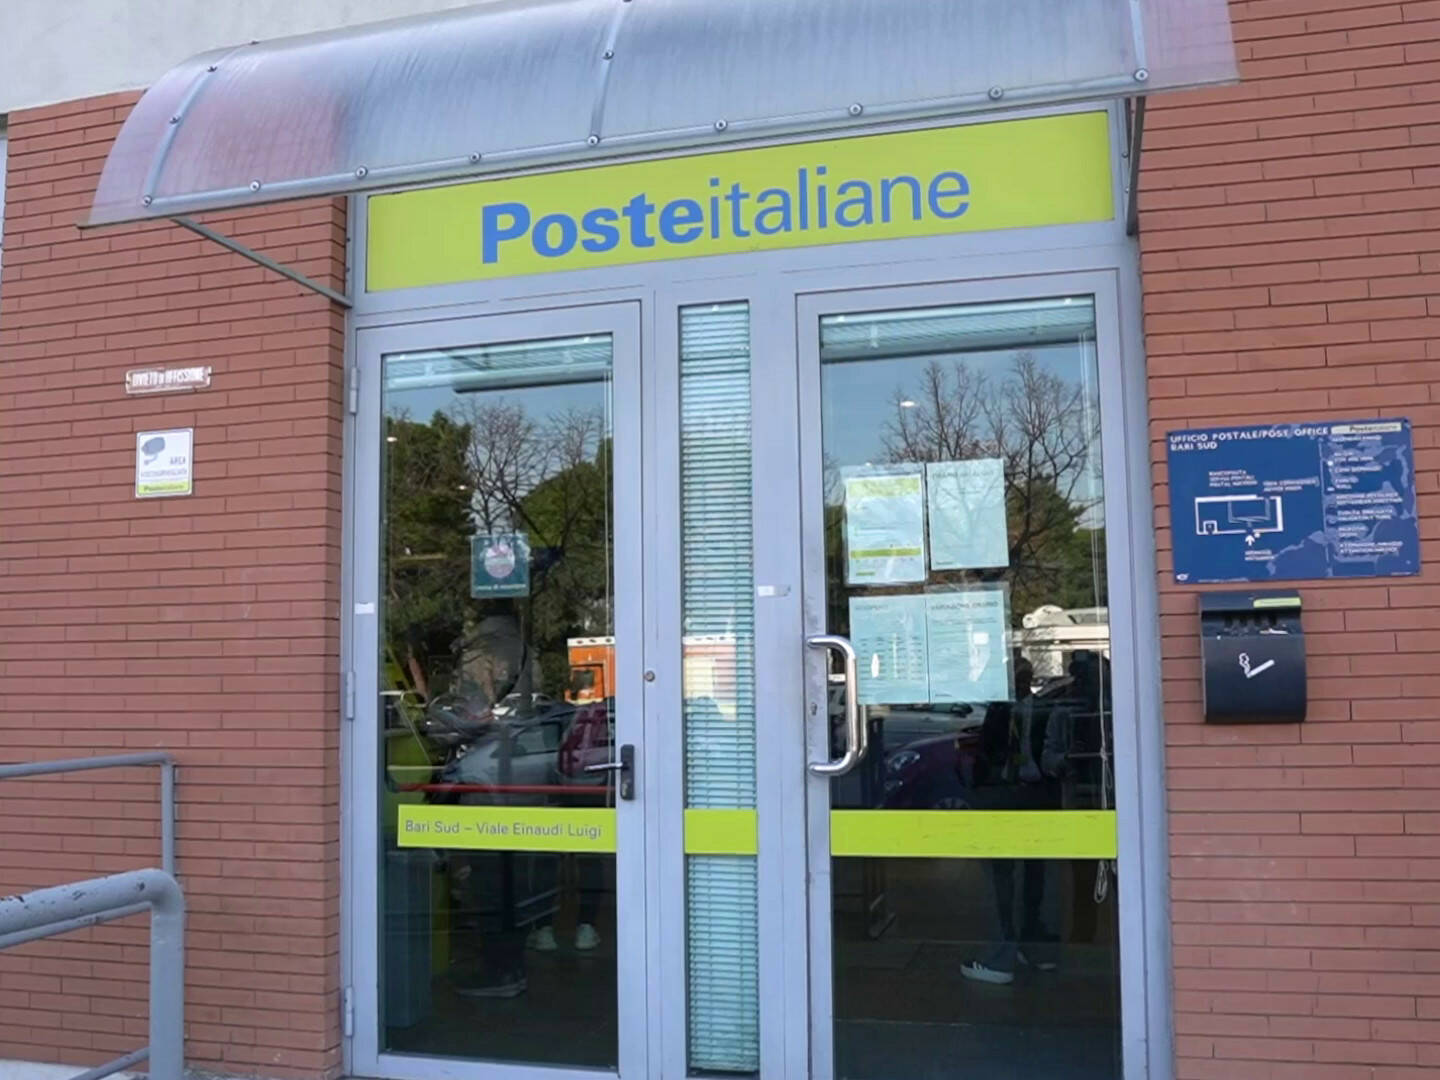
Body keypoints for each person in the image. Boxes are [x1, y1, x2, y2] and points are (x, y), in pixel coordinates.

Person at [961, 655, 1064, 985]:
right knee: (1013, 874)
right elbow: (989, 752)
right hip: (1012, 793)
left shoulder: (1042, 710)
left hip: (1026, 794)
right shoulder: (1003, 710)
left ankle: (1017, 950)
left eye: (1020, 677)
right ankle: (1017, 947)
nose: (1017, 684)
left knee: (1025, 875)